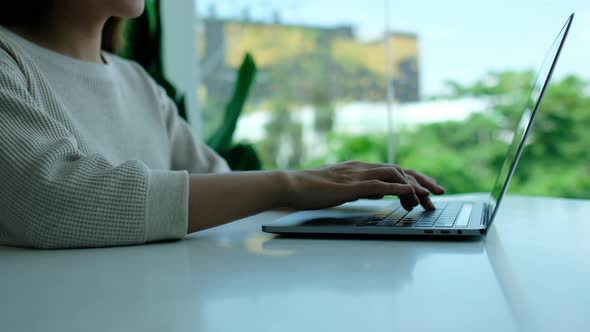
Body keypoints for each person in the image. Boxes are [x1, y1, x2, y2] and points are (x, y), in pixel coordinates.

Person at [0, 0, 445, 249]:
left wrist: (353, 203)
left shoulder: (139, 83)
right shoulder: (9, 62)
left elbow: (221, 192)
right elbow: (52, 200)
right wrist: (290, 183)